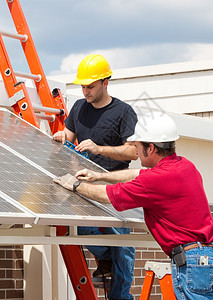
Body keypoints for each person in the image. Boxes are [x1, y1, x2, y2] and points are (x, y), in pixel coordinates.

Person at [54, 111, 213, 300]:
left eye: (137, 146)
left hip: (192, 262)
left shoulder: (156, 180)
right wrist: (99, 176)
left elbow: (108, 195)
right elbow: (137, 173)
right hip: (204, 257)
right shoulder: (185, 166)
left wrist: (75, 185)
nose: (135, 152)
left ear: (151, 148)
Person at [53, 54, 138, 300]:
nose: (85, 91)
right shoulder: (79, 108)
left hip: (114, 185)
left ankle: (120, 296)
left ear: (105, 82)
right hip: (85, 182)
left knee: (121, 243)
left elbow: (133, 150)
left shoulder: (123, 112)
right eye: (83, 86)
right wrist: (62, 138)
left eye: (90, 86)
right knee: (83, 230)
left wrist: (99, 148)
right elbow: (67, 137)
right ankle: (106, 259)